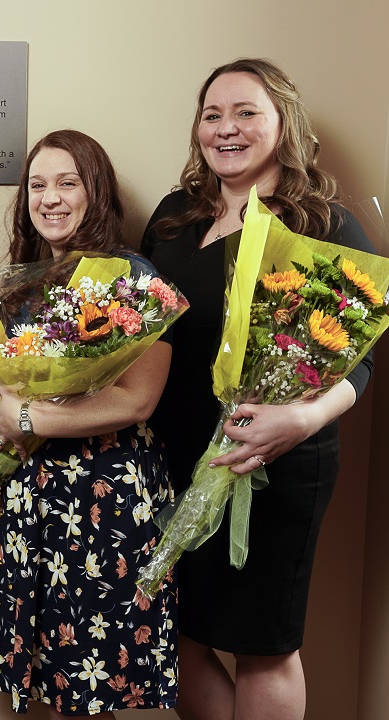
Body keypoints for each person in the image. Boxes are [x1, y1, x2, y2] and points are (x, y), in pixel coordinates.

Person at [141, 58, 375, 720]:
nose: (226, 128)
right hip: (173, 457)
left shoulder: (322, 225)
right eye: (212, 115)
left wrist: (299, 423)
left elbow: (358, 363)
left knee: (265, 647)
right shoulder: (172, 218)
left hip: (272, 463)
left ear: (283, 123)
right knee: (172, 629)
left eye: (246, 112)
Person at [0, 130, 178, 717]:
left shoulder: (131, 277)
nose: (49, 198)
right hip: (28, 500)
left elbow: (138, 400)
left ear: (96, 192)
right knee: (39, 681)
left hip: (101, 497)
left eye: (67, 182)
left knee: (88, 684)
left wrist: (31, 416)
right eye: (37, 185)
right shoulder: (21, 285)